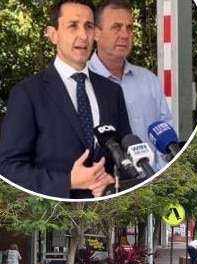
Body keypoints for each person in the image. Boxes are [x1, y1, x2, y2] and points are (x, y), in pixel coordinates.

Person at [0, 0, 132, 199]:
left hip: (108, 212)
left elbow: (127, 158)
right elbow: (8, 168)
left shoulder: (112, 92)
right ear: (53, 34)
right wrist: (68, 181)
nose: (83, 35)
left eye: (88, 26)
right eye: (73, 26)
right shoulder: (28, 93)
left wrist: (114, 181)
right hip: (52, 217)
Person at [90, 0, 174, 172]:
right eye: (116, 27)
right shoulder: (80, 82)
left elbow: (165, 133)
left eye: (129, 28)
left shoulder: (148, 80)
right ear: (96, 34)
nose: (125, 35)